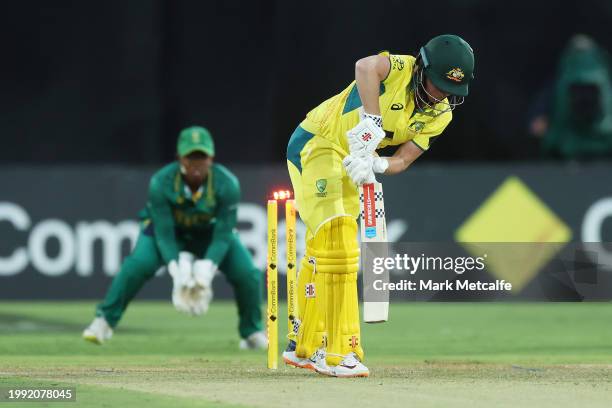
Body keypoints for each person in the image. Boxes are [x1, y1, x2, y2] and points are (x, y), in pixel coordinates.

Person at [283, 34, 475, 377]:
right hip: (317, 143)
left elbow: (403, 159)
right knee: (337, 236)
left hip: (356, 162)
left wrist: (379, 165)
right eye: (439, 84)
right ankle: (340, 351)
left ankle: (304, 345)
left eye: (451, 90)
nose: (442, 95)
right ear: (422, 69)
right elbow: (365, 66)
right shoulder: (400, 68)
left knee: (324, 243)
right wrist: (371, 119)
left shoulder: (440, 115)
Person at [83, 126, 266, 350]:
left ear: (211, 158)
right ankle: (104, 321)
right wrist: (177, 271)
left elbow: (224, 232)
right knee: (137, 266)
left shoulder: (227, 184)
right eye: (190, 158)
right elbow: (164, 231)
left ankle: (251, 332)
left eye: (202, 157)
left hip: (209, 235)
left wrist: (206, 268)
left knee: (247, 273)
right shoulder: (161, 182)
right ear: (179, 158)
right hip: (168, 235)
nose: (196, 165)